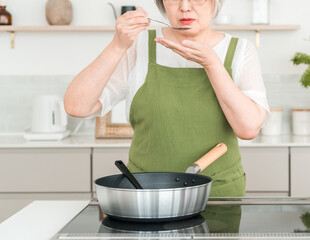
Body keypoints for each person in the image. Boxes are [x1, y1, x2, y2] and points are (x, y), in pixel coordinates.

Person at [64, 0, 269, 197]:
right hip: (145, 191)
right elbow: (77, 106)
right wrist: (117, 46)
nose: (185, 7)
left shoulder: (241, 50)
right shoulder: (139, 45)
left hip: (219, 193)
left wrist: (213, 65)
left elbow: (248, 129)